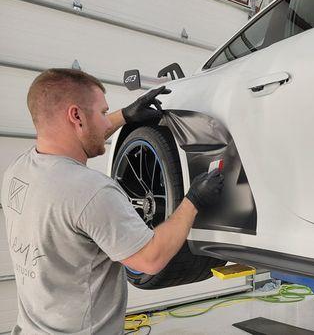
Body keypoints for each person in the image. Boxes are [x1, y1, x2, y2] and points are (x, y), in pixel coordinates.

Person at [0, 68, 223, 334]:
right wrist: (193, 200)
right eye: (103, 113)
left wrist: (126, 116)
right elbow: (151, 260)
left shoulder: (18, 170)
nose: (108, 123)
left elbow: (78, 142)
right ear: (76, 116)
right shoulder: (91, 192)